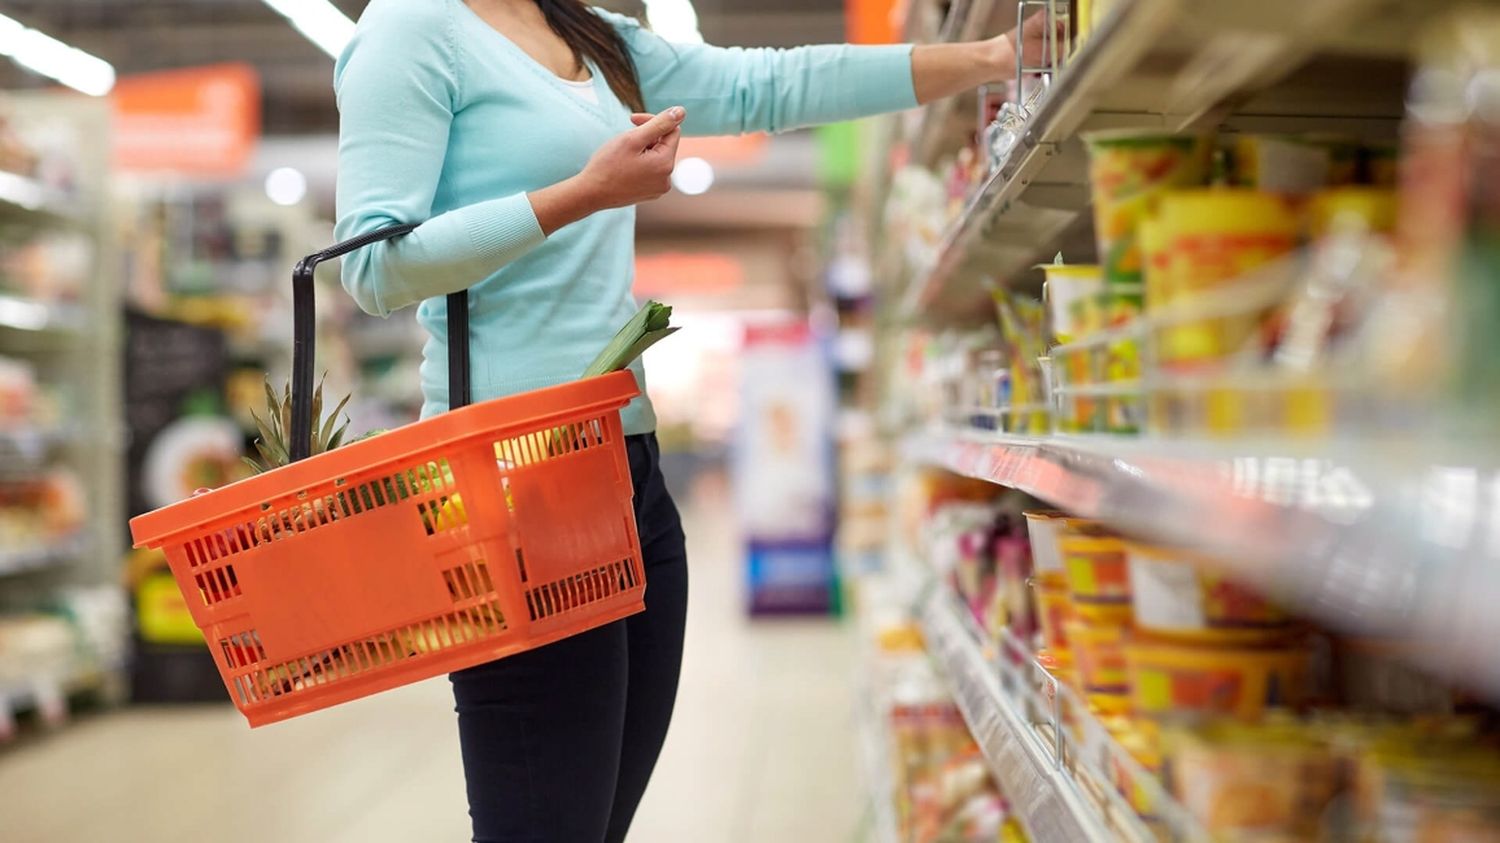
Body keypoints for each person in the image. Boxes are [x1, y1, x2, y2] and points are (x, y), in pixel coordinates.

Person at [334, 1, 1052, 839]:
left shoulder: (584, 30)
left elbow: (764, 85)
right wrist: (585, 192)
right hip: (512, 483)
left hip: (626, 465)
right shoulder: (413, 26)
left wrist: (991, 55)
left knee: (597, 821)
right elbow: (374, 268)